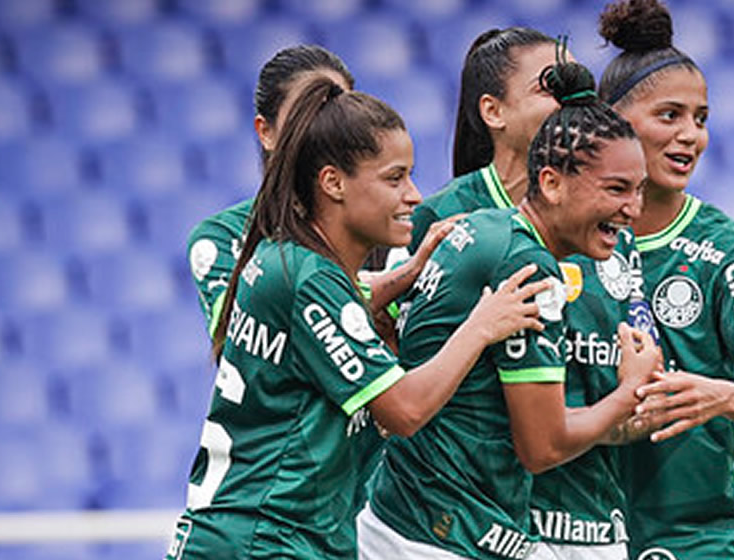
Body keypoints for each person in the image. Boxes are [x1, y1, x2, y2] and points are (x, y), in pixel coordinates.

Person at [166, 78, 551, 560]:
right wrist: (481, 326)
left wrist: (407, 275)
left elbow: (342, 309)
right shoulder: (308, 278)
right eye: (394, 178)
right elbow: (405, 411)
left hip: (275, 538)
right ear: (333, 183)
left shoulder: (288, 261)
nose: (413, 195)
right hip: (265, 542)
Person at [361, 61, 663, 560]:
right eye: (616, 189)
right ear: (551, 183)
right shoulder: (525, 263)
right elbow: (542, 447)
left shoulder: (486, 229)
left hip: (407, 514)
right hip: (442, 535)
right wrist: (630, 391)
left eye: (638, 190)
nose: (632, 209)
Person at [595, 1, 734, 558]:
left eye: (701, 118)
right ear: (612, 121)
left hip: (696, 540)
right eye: (670, 115)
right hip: (579, 532)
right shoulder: (559, 245)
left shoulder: (727, 250)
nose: (691, 135)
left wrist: (721, 396)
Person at [187, 45, 450, 343]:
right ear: (266, 132)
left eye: (339, 110)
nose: (326, 129)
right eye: (309, 114)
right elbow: (239, 345)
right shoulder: (221, 237)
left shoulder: (390, 222)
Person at [407, 27, 562, 253]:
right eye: (549, 89)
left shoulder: (602, 211)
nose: (573, 101)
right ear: (493, 111)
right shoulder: (438, 216)